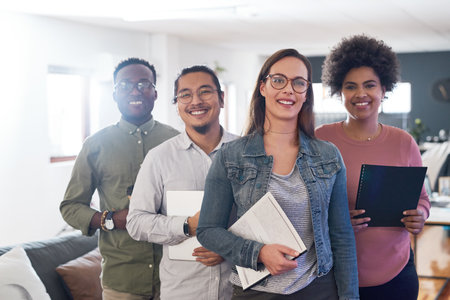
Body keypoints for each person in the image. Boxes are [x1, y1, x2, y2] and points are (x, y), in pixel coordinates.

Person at [197, 49, 359, 300]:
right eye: (278, 80)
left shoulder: (328, 155)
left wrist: (350, 297)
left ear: (306, 93)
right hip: (255, 291)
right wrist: (258, 252)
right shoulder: (232, 155)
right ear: (263, 87)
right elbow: (208, 230)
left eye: (298, 83)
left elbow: (341, 235)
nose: (288, 90)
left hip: (317, 289)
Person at [315, 35, 431, 300]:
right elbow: (302, 203)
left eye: (369, 85)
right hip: (337, 277)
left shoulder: (404, 142)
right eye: (350, 86)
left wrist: (420, 215)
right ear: (339, 90)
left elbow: (422, 199)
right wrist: (337, 223)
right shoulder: (321, 139)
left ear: (384, 89)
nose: (360, 94)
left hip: (397, 274)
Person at [60, 58, 179, 300]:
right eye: (125, 85)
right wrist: (110, 219)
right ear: (114, 94)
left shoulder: (176, 141)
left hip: (176, 277)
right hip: (123, 281)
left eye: (144, 84)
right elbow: (70, 208)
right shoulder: (95, 145)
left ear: (155, 93)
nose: (135, 91)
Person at [126, 65, 237, 300]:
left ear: (222, 98)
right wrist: (187, 226)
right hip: (184, 292)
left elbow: (264, 217)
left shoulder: (247, 152)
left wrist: (230, 247)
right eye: (185, 95)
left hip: (238, 291)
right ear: (177, 105)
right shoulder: (159, 158)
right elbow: (136, 222)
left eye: (205, 91)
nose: (195, 101)